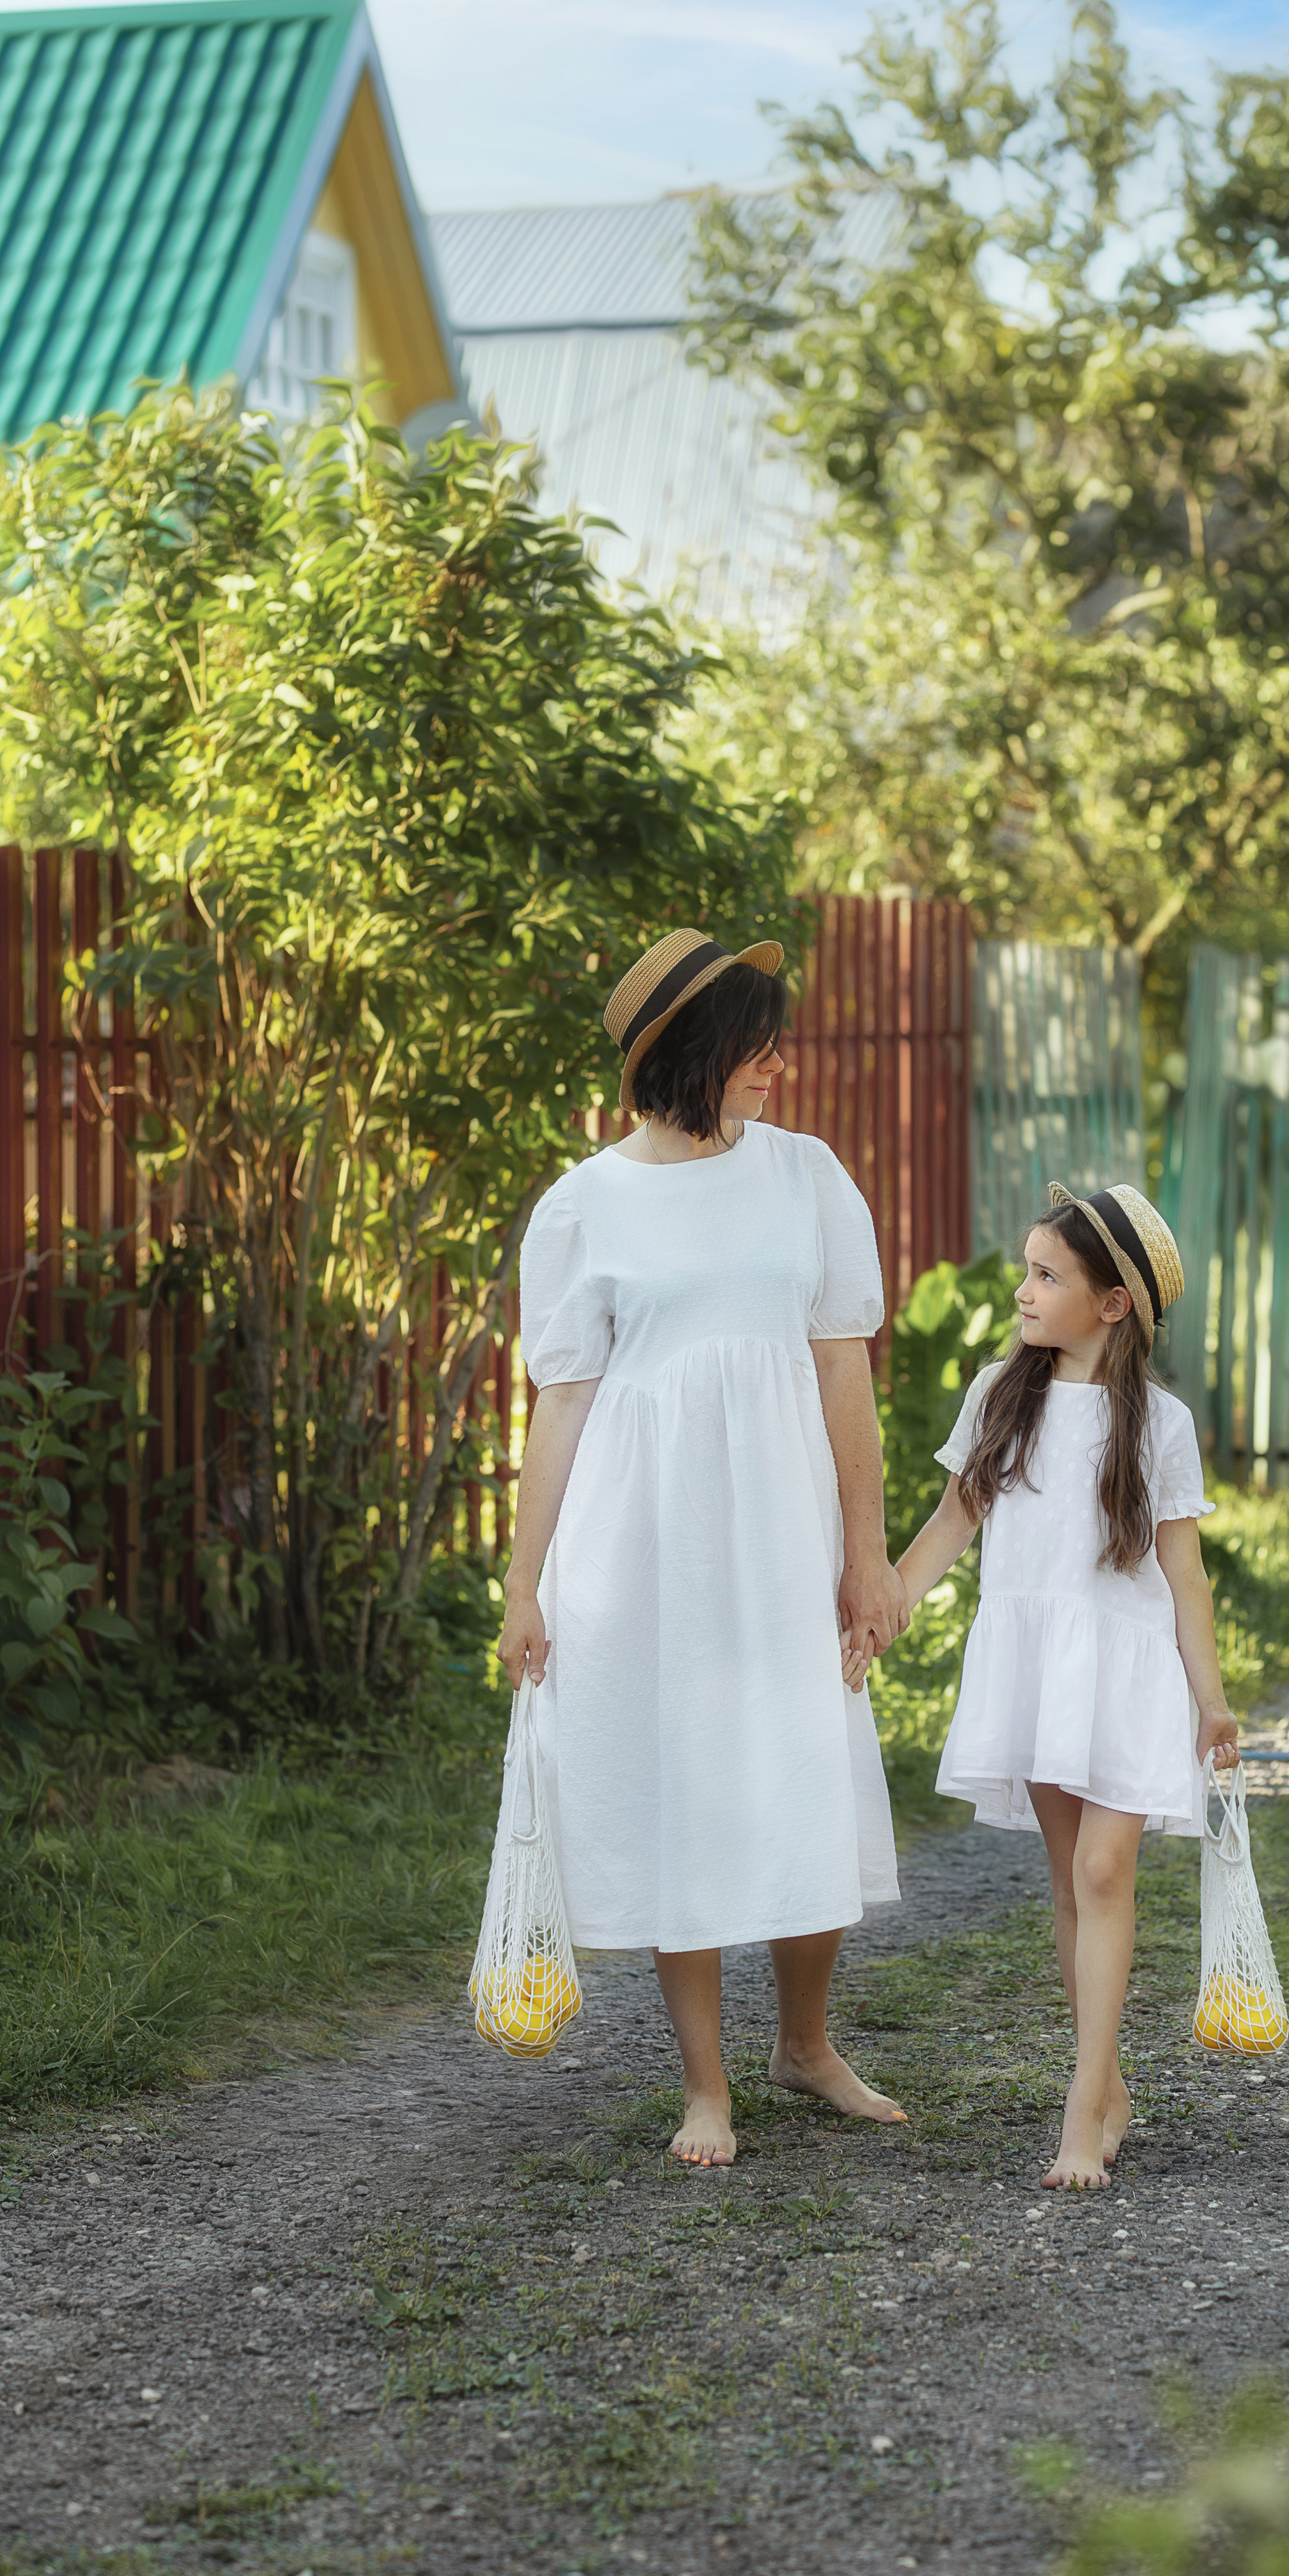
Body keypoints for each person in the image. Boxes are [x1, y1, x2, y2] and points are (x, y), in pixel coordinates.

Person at [496, 926, 910, 2170]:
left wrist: (868, 1549)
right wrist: (526, 1586)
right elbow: (561, 1403)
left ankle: (806, 2044)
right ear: (694, 1052)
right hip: (647, 1545)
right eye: (755, 1043)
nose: (778, 1063)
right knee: (678, 1787)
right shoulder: (585, 1208)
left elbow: (845, 1372)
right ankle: (705, 2087)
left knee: (802, 1768)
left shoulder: (807, 1176)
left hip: (783, 1530)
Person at [879, 1180, 1239, 2191]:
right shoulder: (1002, 1395)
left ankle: (1084, 2105)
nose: (1024, 1294)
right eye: (1026, 1273)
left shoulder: (1160, 1426)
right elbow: (953, 1522)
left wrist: (1209, 1699)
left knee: (1104, 1873)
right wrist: (883, 1607)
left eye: (1047, 1277)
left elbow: (1184, 1575)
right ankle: (1108, 2079)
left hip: (1126, 1677)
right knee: (1069, 1876)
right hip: (1036, 1667)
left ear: (1112, 1302)